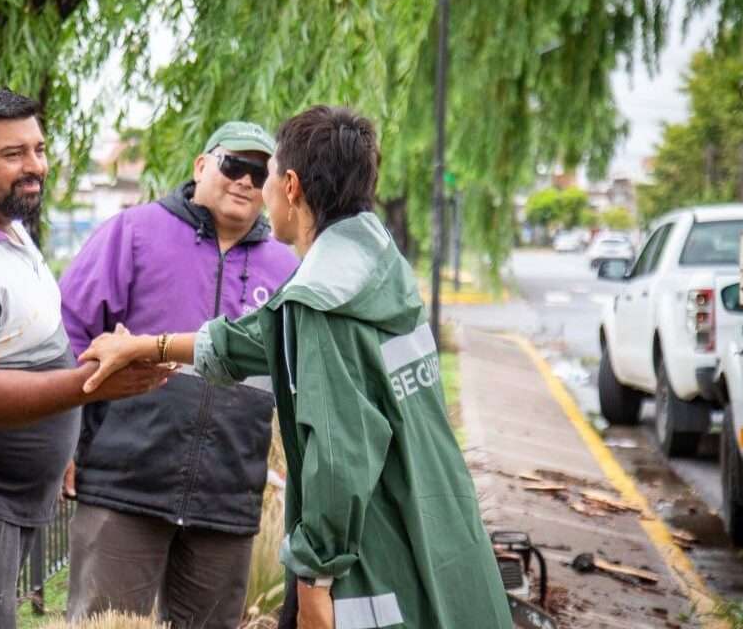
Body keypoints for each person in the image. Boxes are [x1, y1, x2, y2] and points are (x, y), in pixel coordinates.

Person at [79, 106, 513, 629]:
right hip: (437, 514)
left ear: (290, 185)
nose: (252, 188)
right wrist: (150, 346)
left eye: (263, 175)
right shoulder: (374, 262)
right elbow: (251, 339)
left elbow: (338, 454)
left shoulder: (319, 297)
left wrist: (315, 578)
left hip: (375, 545)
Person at [0, 88, 171, 629]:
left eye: (39, 149)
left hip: (15, 496)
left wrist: (64, 437)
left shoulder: (2, 222)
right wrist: (90, 387)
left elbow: (31, 343)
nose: (35, 168)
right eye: (14, 155)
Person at [59, 121, 299, 627]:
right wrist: (65, 444)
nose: (245, 182)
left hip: (226, 502)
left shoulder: (286, 269)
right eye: (233, 165)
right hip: (124, 486)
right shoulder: (134, 233)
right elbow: (71, 337)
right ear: (201, 166)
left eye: (259, 174)